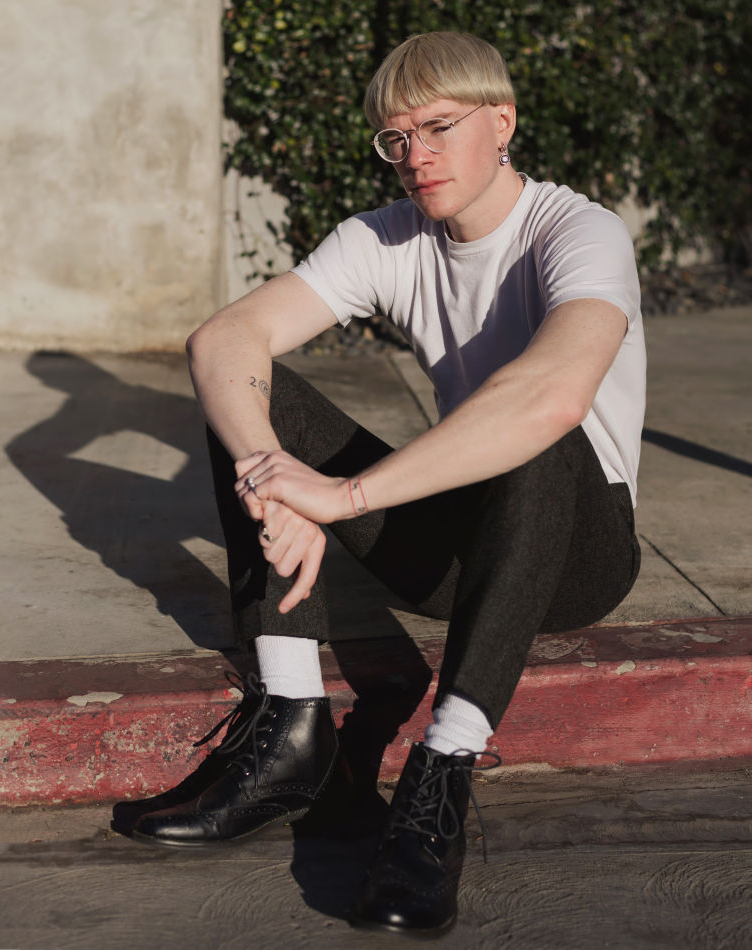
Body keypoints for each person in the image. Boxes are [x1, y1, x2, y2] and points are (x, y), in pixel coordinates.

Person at [117, 31, 645, 938]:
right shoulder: (387, 237)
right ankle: (290, 725)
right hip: (452, 553)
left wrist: (343, 498)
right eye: (394, 137)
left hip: (576, 555)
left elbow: (552, 395)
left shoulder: (577, 231)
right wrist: (276, 478)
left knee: (531, 430)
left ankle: (441, 775)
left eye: (437, 127)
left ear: (502, 122)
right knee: (252, 400)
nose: (414, 155)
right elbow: (224, 339)